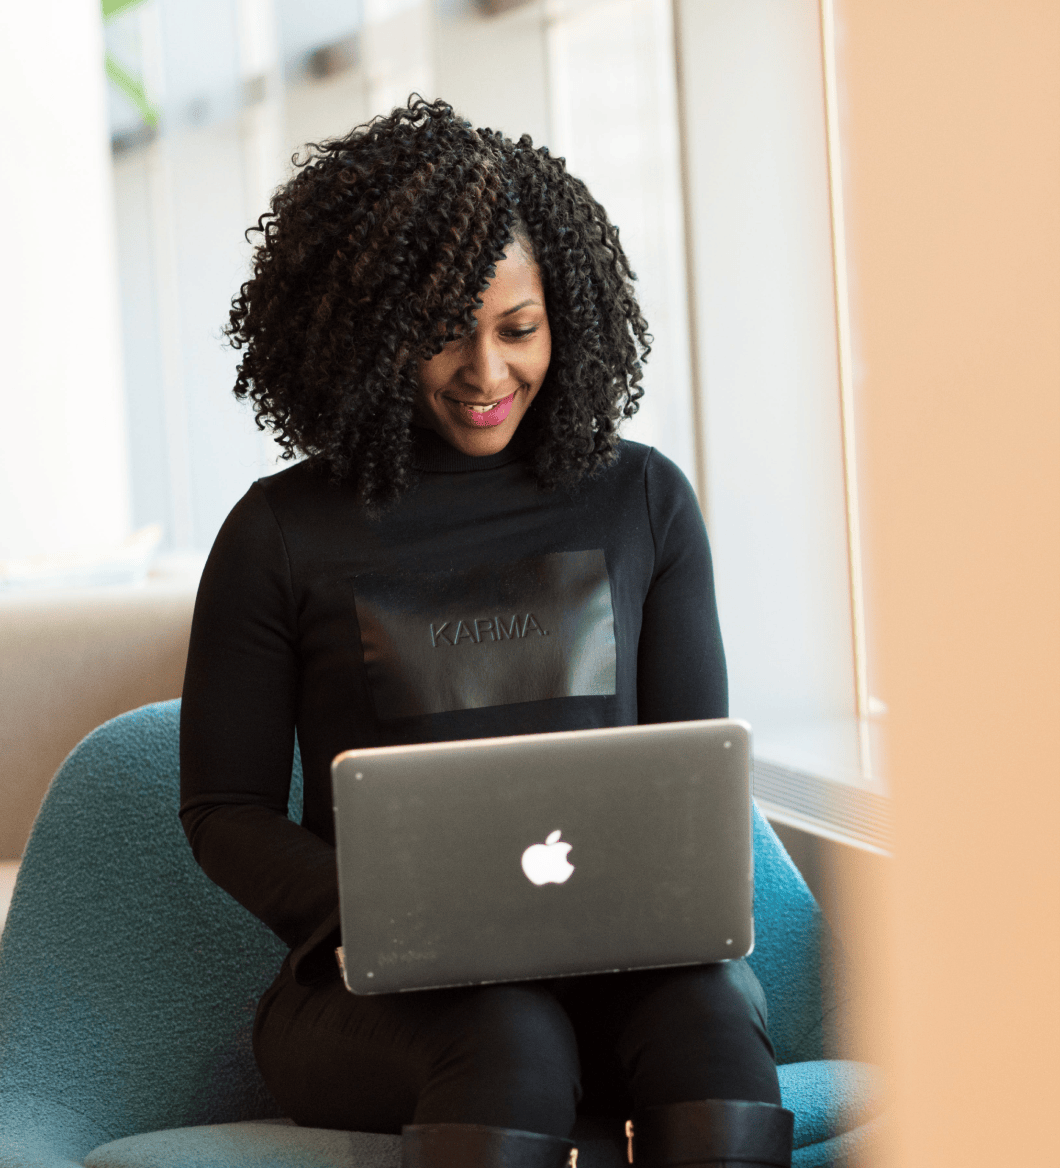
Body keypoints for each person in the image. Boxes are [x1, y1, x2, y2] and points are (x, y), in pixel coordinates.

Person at [179, 98, 794, 1168]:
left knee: (707, 1025)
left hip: (623, 977)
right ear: (369, 332)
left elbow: (688, 784)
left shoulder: (642, 501)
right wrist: (392, 909)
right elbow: (223, 811)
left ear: (566, 314)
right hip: (383, 996)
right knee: (507, 1030)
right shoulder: (279, 532)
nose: (485, 371)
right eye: (438, 331)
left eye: (518, 328)